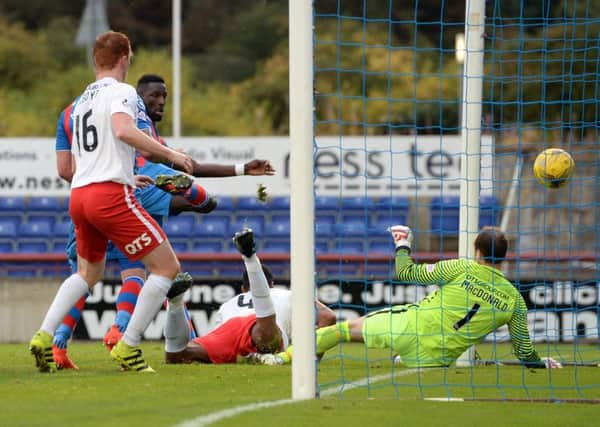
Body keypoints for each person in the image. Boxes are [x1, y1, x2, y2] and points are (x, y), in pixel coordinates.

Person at [51, 73, 276, 369]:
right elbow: (148, 149)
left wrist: (240, 169)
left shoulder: (73, 110)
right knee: (199, 210)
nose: (159, 102)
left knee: (93, 275)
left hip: (92, 196)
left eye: (164, 97)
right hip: (129, 190)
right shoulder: (130, 109)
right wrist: (236, 171)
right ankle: (120, 334)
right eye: (154, 95)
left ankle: (57, 344)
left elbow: (66, 169)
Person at [28, 30, 197, 373]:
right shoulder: (122, 92)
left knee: (88, 274)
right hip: (108, 195)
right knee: (166, 268)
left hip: (80, 194)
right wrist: (170, 155)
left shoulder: (78, 103)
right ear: (125, 58)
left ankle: (44, 336)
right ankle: (129, 345)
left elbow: (69, 166)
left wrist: (126, 174)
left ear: (95, 61)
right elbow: (122, 130)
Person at [254, 225, 563, 369]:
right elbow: (523, 350)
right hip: (437, 357)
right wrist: (540, 363)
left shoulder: (461, 268)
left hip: (408, 326)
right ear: (505, 257)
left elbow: (407, 273)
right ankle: (405, 358)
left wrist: (402, 243)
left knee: (341, 330)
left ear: (478, 252)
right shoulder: (514, 300)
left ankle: (279, 359)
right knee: (413, 359)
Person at [164, 228, 336, 364]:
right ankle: (250, 257)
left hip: (227, 332)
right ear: (272, 285)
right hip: (261, 328)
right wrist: (312, 357)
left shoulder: (228, 304)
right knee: (267, 340)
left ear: (242, 289)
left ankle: (175, 303)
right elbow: (328, 316)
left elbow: (219, 334)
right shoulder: (288, 294)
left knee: (178, 355)